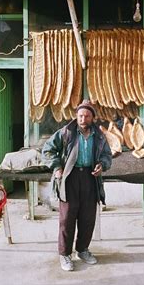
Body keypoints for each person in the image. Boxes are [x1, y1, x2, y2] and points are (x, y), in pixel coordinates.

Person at [42, 100, 112, 272]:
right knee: (67, 218)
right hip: (69, 178)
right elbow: (47, 150)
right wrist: (57, 167)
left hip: (90, 177)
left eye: (87, 116)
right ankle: (65, 254)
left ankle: (82, 250)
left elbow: (107, 155)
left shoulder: (99, 136)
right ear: (76, 116)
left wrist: (102, 165)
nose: (83, 118)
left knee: (88, 218)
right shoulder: (66, 132)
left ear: (92, 118)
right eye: (80, 115)